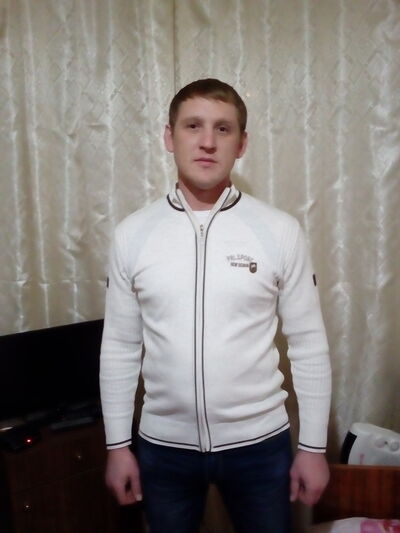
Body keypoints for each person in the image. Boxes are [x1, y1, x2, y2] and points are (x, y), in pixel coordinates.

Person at [99, 78, 332, 533]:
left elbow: (308, 343)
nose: (207, 142)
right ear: (169, 137)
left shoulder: (279, 230)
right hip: (163, 448)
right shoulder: (132, 234)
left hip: (259, 446)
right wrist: (117, 446)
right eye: (193, 126)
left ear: (241, 144)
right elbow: (120, 347)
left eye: (223, 129)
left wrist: (313, 448)